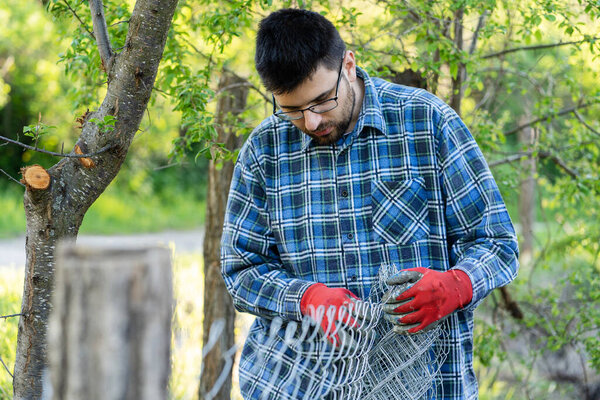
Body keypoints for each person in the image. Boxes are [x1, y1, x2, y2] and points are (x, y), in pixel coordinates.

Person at [220, 8, 519, 400]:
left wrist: (456, 285)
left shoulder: (427, 122)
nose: (310, 122)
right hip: (302, 385)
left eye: (321, 101)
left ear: (348, 64)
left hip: (426, 385)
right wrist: (307, 299)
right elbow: (241, 271)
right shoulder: (264, 151)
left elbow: (498, 243)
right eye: (292, 110)